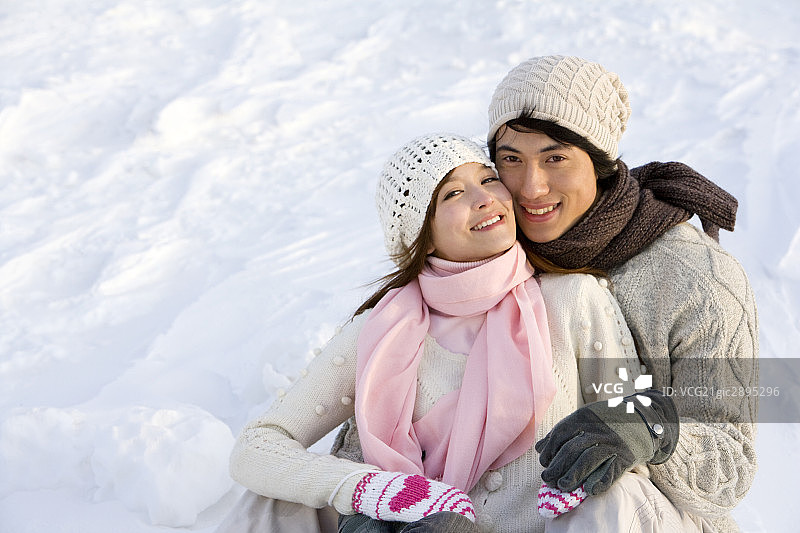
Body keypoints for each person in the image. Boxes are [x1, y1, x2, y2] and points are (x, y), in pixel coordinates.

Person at [217, 133, 653, 533]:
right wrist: (378, 491)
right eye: (454, 194)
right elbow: (257, 447)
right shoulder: (379, 331)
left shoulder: (574, 299)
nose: (485, 199)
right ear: (421, 237)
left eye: (488, 179)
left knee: (621, 496)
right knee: (268, 504)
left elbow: (627, 426)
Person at [486, 55, 759, 532]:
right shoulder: (488, 246)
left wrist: (650, 432)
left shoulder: (696, 278)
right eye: (512, 159)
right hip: (504, 507)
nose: (531, 186)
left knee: (604, 498)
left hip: (643, 514)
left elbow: (730, 464)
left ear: (599, 163)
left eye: (555, 158)